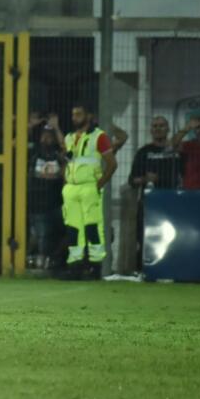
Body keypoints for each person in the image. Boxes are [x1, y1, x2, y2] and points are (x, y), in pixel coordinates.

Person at [61, 103, 117, 275]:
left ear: (89, 116)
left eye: (78, 114)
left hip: (89, 187)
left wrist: (99, 184)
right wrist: (66, 182)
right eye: (73, 114)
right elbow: (69, 162)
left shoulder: (99, 136)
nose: (74, 118)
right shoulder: (69, 137)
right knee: (73, 227)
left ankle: (95, 265)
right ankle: (75, 264)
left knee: (92, 226)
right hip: (71, 188)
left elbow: (112, 164)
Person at [128, 116, 181, 271]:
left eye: (162, 126)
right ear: (151, 130)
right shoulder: (143, 152)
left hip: (173, 201)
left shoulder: (177, 152)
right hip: (149, 203)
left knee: (173, 238)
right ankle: (142, 271)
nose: (158, 129)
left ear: (168, 129)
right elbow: (132, 180)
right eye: (155, 126)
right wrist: (145, 179)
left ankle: (172, 270)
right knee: (144, 238)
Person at [27, 125, 65, 270]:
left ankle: (54, 260)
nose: (46, 139)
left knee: (63, 232)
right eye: (44, 135)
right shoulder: (34, 155)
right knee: (41, 236)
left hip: (57, 203)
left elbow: (65, 169)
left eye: (49, 136)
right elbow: (30, 175)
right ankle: (40, 264)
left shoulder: (59, 157)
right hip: (38, 204)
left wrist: (57, 128)